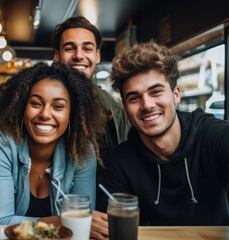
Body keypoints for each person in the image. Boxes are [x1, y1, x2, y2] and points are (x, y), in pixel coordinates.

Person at [104, 40, 229, 240]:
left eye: (156, 91)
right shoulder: (121, 161)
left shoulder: (218, 136)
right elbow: (108, 224)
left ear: (176, 95)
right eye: (134, 98)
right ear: (125, 106)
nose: (147, 104)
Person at [0, 63, 106, 229]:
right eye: (36, 104)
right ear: (22, 107)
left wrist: (73, 223)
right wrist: (60, 222)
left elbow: (81, 225)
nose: (45, 114)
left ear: (72, 114)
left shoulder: (82, 151)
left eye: (58, 106)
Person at [52, 16, 130, 238]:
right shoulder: (38, 107)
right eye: (69, 48)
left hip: (106, 223)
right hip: (54, 220)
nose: (79, 55)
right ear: (57, 56)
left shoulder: (115, 110)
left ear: (97, 55)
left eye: (87, 48)